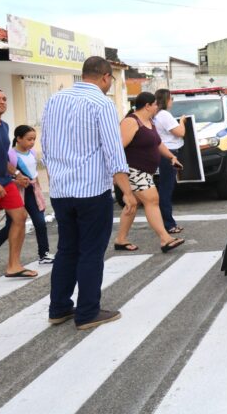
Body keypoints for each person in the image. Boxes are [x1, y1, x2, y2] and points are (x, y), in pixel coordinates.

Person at [42, 56, 137, 330]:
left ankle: (59, 308)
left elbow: (46, 148)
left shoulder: (54, 100)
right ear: (105, 77)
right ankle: (87, 312)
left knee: (67, 249)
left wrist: (56, 180)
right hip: (91, 191)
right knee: (91, 253)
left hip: (61, 191)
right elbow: (113, 151)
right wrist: (127, 193)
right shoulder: (102, 103)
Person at [114, 91, 185, 253]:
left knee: (132, 204)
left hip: (145, 171)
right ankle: (165, 238)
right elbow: (118, 149)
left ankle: (120, 239)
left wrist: (171, 157)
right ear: (147, 106)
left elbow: (158, 143)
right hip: (133, 170)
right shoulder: (131, 122)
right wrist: (117, 175)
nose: (156, 107)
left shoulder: (149, 121)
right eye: (154, 105)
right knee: (152, 200)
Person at [0, 125, 53, 268]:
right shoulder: (11, 154)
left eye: (34, 139)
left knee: (40, 222)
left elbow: (34, 173)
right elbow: (4, 173)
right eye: (29, 139)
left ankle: (44, 254)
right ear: (18, 139)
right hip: (16, 192)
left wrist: (39, 189)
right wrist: (16, 181)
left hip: (32, 191)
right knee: (12, 224)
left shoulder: (33, 153)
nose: (32, 142)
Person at [0, 88, 35, 278]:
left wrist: (16, 174)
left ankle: (14, 265)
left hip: (4, 182)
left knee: (20, 216)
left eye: (5, 98)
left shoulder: (4, 126)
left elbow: (1, 158)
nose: (2, 101)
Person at [153, 89, 186, 234]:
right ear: (166, 99)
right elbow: (180, 132)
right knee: (166, 189)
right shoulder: (164, 115)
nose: (172, 101)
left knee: (165, 188)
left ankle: (166, 222)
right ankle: (168, 224)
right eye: (171, 98)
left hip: (164, 152)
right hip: (169, 153)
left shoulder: (156, 115)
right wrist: (182, 122)